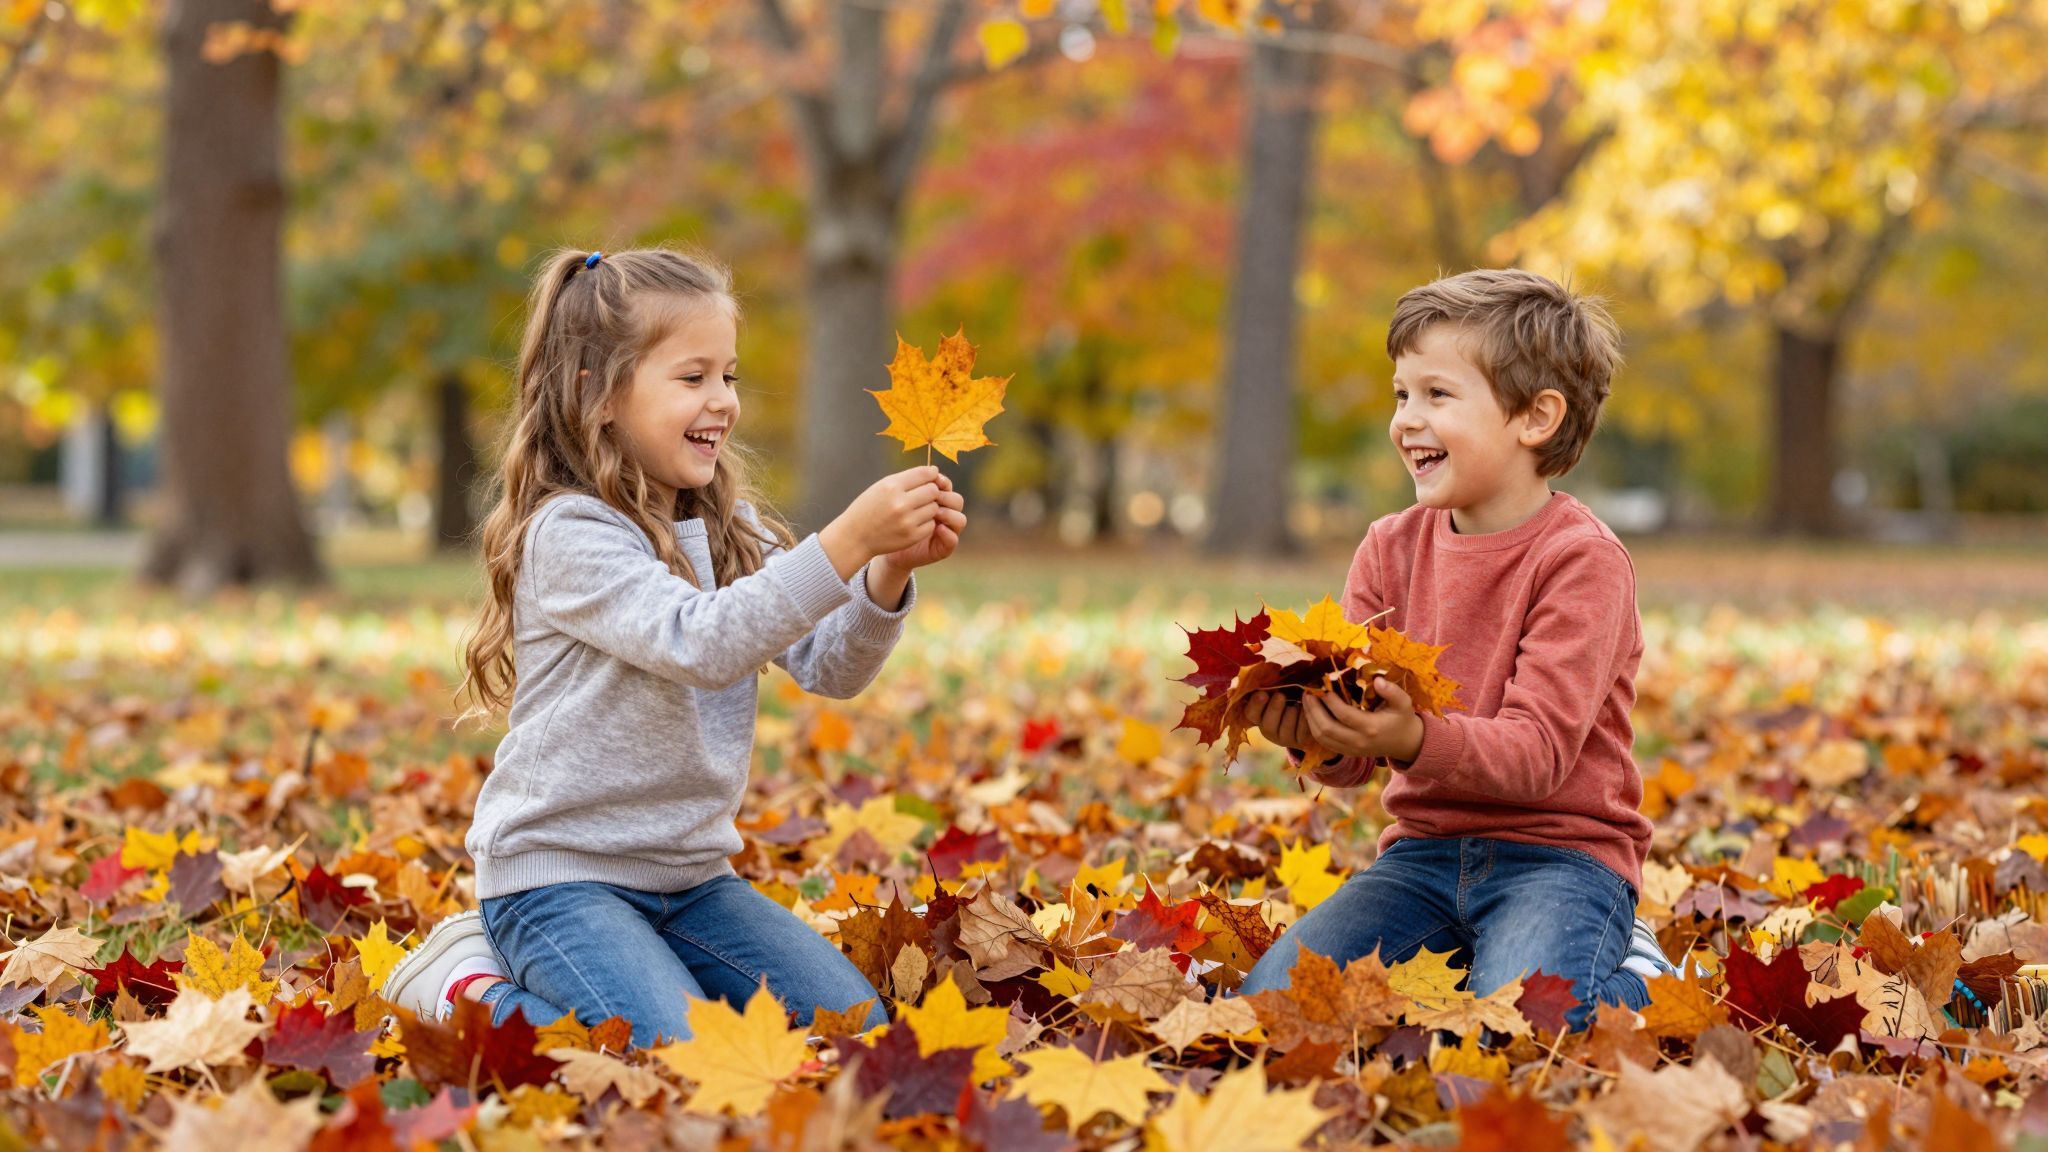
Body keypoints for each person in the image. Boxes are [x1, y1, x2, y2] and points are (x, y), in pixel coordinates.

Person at [379, 247, 965, 1046]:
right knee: (671, 1057)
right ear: (599, 392)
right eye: (692, 378)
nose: (722, 400)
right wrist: (843, 541)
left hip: (692, 882)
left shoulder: (728, 527)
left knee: (852, 1029)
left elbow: (831, 668)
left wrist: (885, 569)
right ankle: (462, 985)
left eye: (728, 375)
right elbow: (700, 643)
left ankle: (645, 970)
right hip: (559, 881)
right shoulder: (571, 532)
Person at [1236, 268, 1676, 1028]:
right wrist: (1314, 736)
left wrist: (1411, 735)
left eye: (1438, 395)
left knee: (1530, 1025)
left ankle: (1642, 974)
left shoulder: (1581, 562)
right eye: (1401, 394)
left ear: (1535, 418)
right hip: (1422, 857)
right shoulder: (1388, 548)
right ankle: (1471, 963)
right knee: (1277, 1004)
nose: (1407, 420)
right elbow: (1356, 752)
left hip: (1562, 862)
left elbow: (1537, 755)